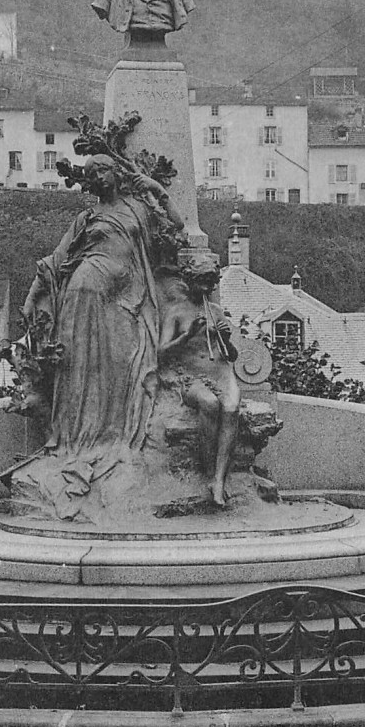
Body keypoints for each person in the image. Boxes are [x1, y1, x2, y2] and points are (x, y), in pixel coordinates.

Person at [21, 154, 184, 515]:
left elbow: (177, 226)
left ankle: (112, 435)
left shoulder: (138, 208)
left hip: (127, 297)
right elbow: (54, 259)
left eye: (105, 169)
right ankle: (80, 437)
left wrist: (156, 188)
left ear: (116, 175)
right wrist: (32, 300)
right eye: (94, 172)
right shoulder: (86, 218)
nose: (99, 176)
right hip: (84, 292)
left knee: (124, 364)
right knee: (83, 367)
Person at [156, 255, 240, 507]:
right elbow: (160, 353)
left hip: (221, 372)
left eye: (209, 283)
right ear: (189, 281)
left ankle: (219, 480)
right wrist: (188, 335)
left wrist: (225, 338)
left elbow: (232, 355)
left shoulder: (215, 312)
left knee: (232, 408)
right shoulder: (177, 312)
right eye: (200, 283)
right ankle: (207, 471)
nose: (205, 289)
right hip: (191, 374)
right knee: (210, 404)